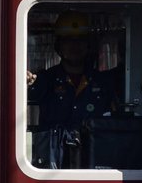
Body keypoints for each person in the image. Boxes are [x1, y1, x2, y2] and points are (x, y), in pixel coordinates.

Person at [28, 11, 116, 167]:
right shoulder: (46, 80)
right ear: (59, 46)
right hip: (53, 162)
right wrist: (27, 82)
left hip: (94, 160)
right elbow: (27, 93)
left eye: (80, 40)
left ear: (88, 45)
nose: (74, 46)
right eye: (68, 40)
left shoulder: (103, 82)